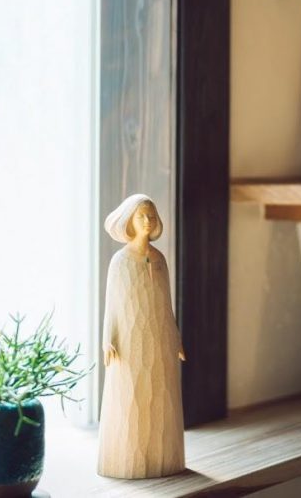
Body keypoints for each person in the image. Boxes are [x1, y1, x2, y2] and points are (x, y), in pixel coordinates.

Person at [98, 193, 186, 478]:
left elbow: (167, 304)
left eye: (150, 216)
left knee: (162, 399)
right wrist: (107, 337)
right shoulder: (120, 262)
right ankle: (126, 461)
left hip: (159, 339)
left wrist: (176, 337)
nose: (147, 221)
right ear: (129, 221)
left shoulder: (159, 260)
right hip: (128, 343)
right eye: (141, 216)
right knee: (129, 397)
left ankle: (163, 458)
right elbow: (111, 303)